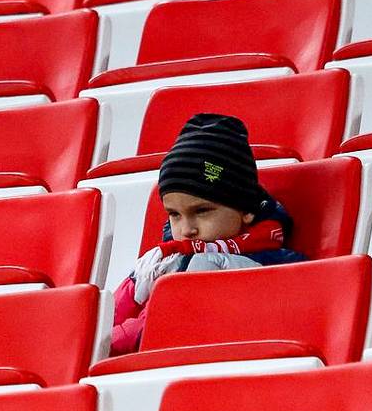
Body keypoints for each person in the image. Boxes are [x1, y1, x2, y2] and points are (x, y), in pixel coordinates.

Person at [111, 113, 306, 356]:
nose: (187, 230)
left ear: (246, 209)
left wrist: (105, 344)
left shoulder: (274, 266)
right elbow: (106, 319)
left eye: (202, 211)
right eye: (174, 214)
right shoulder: (159, 261)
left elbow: (161, 329)